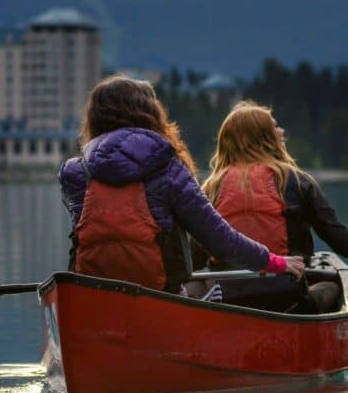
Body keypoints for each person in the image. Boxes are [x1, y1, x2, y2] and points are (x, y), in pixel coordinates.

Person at [59, 76, 305, 295]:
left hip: (92, 295)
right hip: (161, 296)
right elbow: (220, 240)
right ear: (150, 114)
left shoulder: (75, 173)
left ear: (94, 119)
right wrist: (275, 262)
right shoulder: (170, 169)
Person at [202, 101, 348, 312]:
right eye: (275, 126)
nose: (282, 131)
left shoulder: (210, 189)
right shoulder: (297, 182)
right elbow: (346, 244)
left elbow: (196, 257)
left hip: (228, 298)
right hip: (286, 299)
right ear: (262, 137)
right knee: (333, 287)